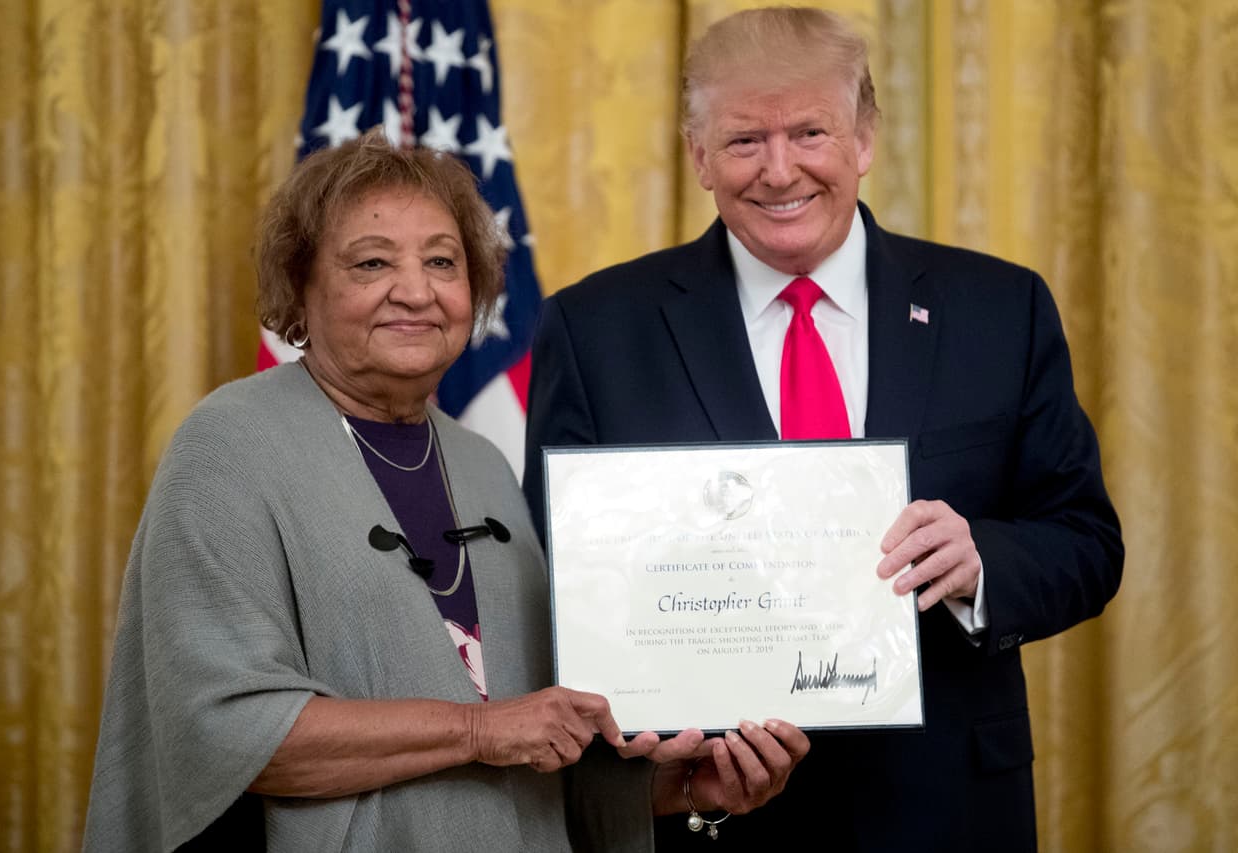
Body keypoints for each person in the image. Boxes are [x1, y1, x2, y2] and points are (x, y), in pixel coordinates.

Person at [82, 132, 808, 852]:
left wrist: (683, 788)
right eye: (372, 262)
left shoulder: (484, 463)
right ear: (300, 286)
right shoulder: (229, 447)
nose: (416, 290)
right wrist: (477, 731)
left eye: (442, 261)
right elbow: (225, 736)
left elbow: (534, 750)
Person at [524, 8, 1123, 852]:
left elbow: (1087, 541)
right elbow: (557, 584)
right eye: (744, 140)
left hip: (946, 808)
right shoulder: (596, 330)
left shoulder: (999, 309)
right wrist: (661, 757)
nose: (780, 171)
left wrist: (981, 562)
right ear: (698, 155)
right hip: (713, 816)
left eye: (810, 132)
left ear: (865, 138)